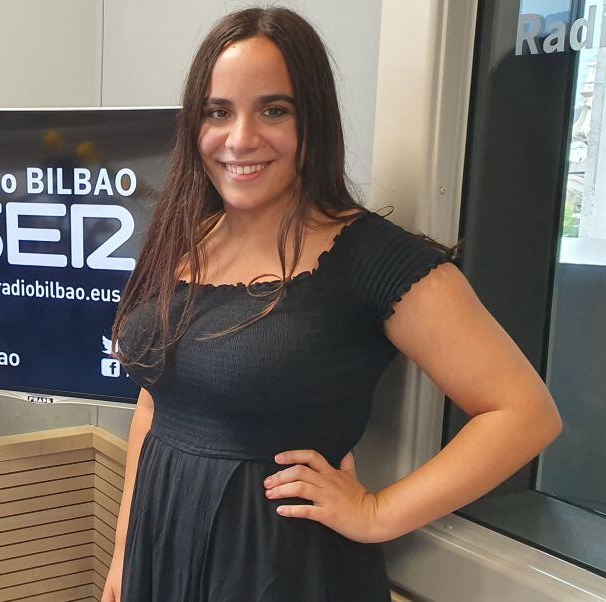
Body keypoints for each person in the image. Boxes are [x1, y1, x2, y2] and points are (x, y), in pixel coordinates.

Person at [101, 8, 562, 601]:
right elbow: (156, 403)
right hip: (163, 551)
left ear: (312, 121)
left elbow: (525, 413)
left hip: (282, 571)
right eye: (219, 112)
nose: (240, 138)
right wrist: (125, 557)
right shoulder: (181, 237)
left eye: (274, 110)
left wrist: (378, 513)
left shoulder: (369, 258)